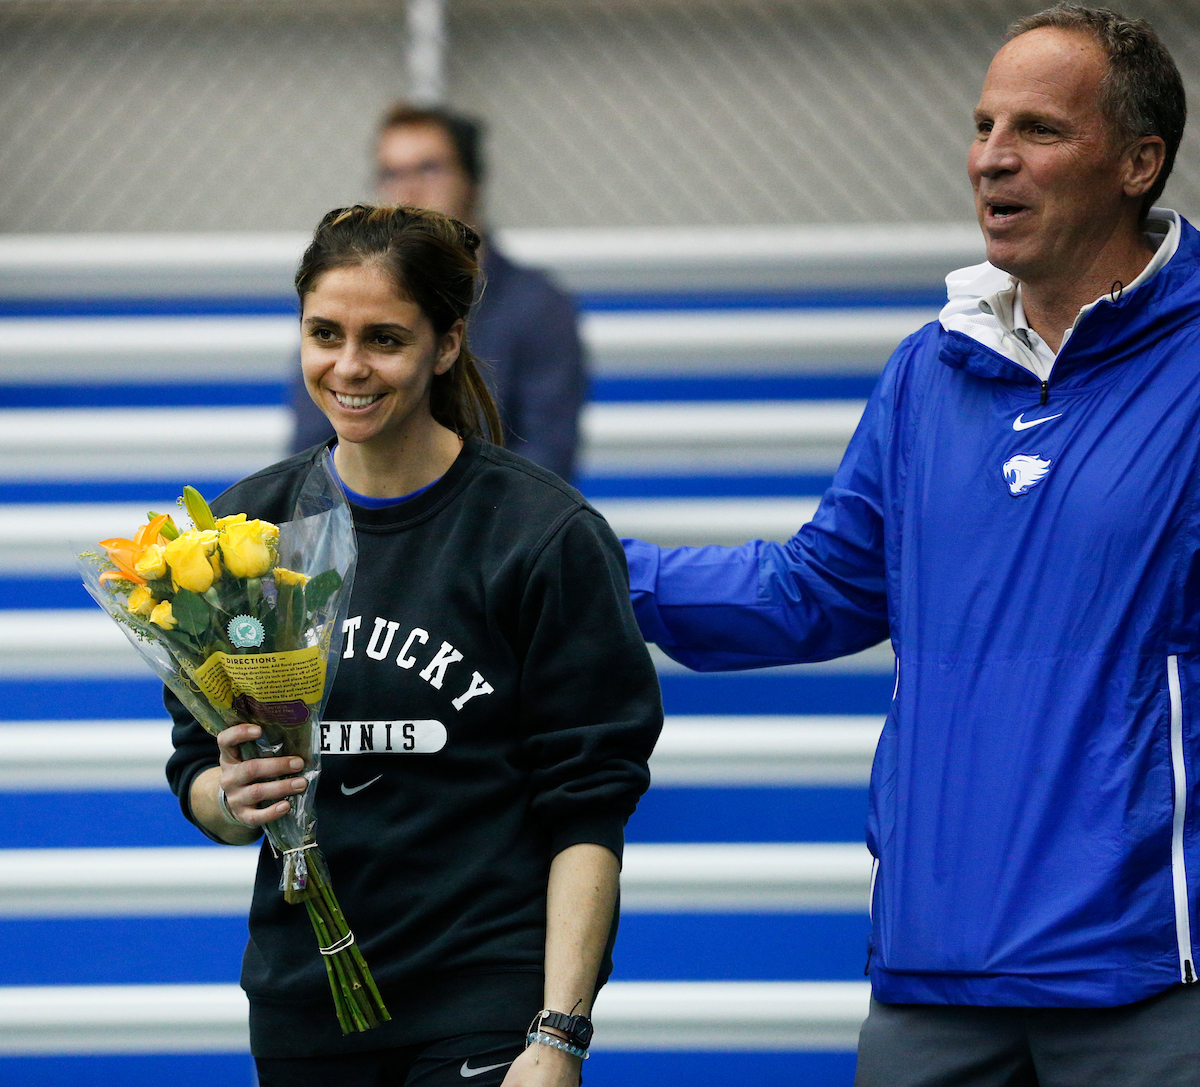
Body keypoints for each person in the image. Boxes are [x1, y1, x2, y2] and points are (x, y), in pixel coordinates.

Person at [622, 5, 1200, 1082]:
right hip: (934, 976)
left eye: (1036, 129)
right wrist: (591, 569)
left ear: (1138, 162)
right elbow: (815, 591)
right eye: (983, 126)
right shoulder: (928, 369)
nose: (990, 158)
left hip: (1150, 982)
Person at [168, 204, 661, 1086]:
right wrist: (227, 796)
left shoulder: (542, 534)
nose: (348, 366)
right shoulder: (243, 532)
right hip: (301, 1009)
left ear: (445, 344)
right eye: (324, 333)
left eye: (384, 339)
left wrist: (557, 1036)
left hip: (480, 1006)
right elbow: (196, 773)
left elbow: (588, 811)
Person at [289, 105, 586, 482]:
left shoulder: (538, 306)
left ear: (472, 178)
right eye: (391, 173)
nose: (407, 189)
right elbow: (312, 449)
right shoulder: (342, 297)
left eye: (428, 169)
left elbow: (547, 456)